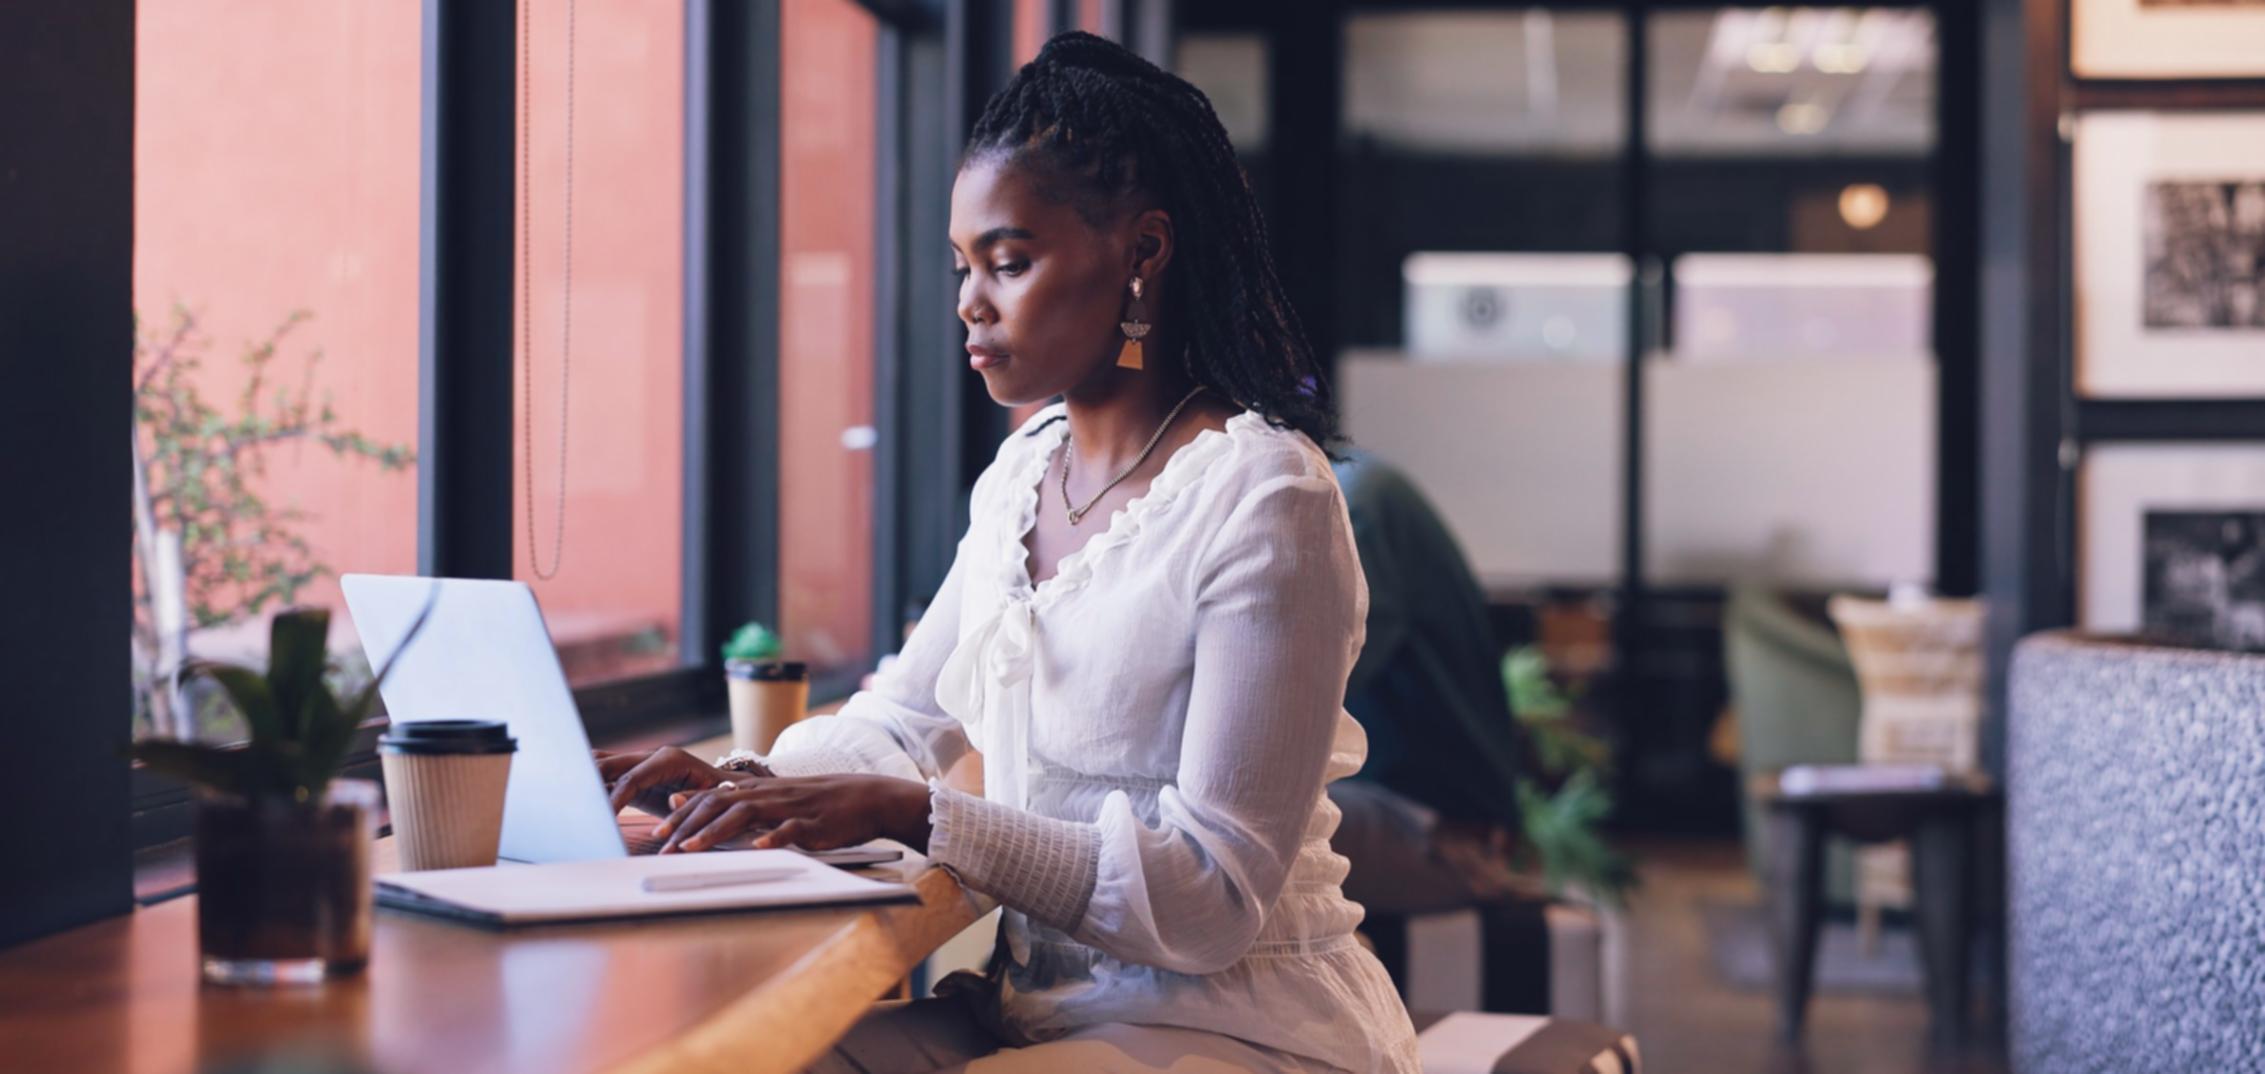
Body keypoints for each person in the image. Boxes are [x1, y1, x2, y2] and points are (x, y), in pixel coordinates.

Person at [595, 32, 1419, 1074]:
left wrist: (921, 814)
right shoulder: (1024, 473)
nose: (968, 303)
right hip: (1040, 1010)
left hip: (1243, 1031)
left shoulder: (1266, 499)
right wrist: (739, 786)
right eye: (962, 267)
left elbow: (1210, 897)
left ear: (1143, 253)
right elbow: (904, 716)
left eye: (1010, 261)